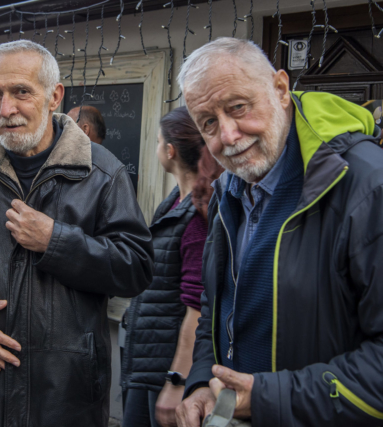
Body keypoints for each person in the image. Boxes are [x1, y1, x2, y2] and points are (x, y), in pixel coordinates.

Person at [0, 39, 154, 426]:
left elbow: (136, 268)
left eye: (21, 92)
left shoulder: (102, 172)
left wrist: (56, 242)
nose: (6, 109)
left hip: (65, 396)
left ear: (54, 96)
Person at [174, 37, 383, 427]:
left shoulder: (368, 185)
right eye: (208, 123)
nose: (228, 136)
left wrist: (267, 399)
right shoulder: (228, 191)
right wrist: (201, 381)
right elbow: (216, 307)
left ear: (281, 89)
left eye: (238, 107)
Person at [120, 107, 222, 427]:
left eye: (157, 141)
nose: (156, 148)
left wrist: (177, 380)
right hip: (149, 365)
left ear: (170, 150)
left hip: (165, 374)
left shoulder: (196, 216)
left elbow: (197, 306)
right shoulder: (175, 203)